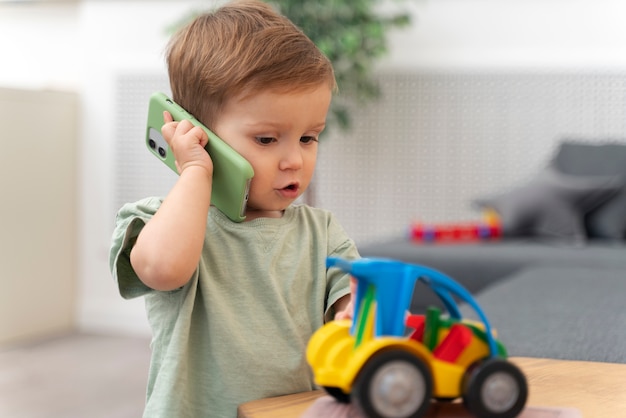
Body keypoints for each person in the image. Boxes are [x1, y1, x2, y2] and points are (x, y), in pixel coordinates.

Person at [109, 1, 359, 417]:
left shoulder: (323, 232)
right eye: (267, 140)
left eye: (308, 138)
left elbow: (349, 297)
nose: (294, 160)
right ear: (200, 135)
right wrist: (194, 172)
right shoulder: (158, 219)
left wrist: (355, 312)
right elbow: (163, 269)